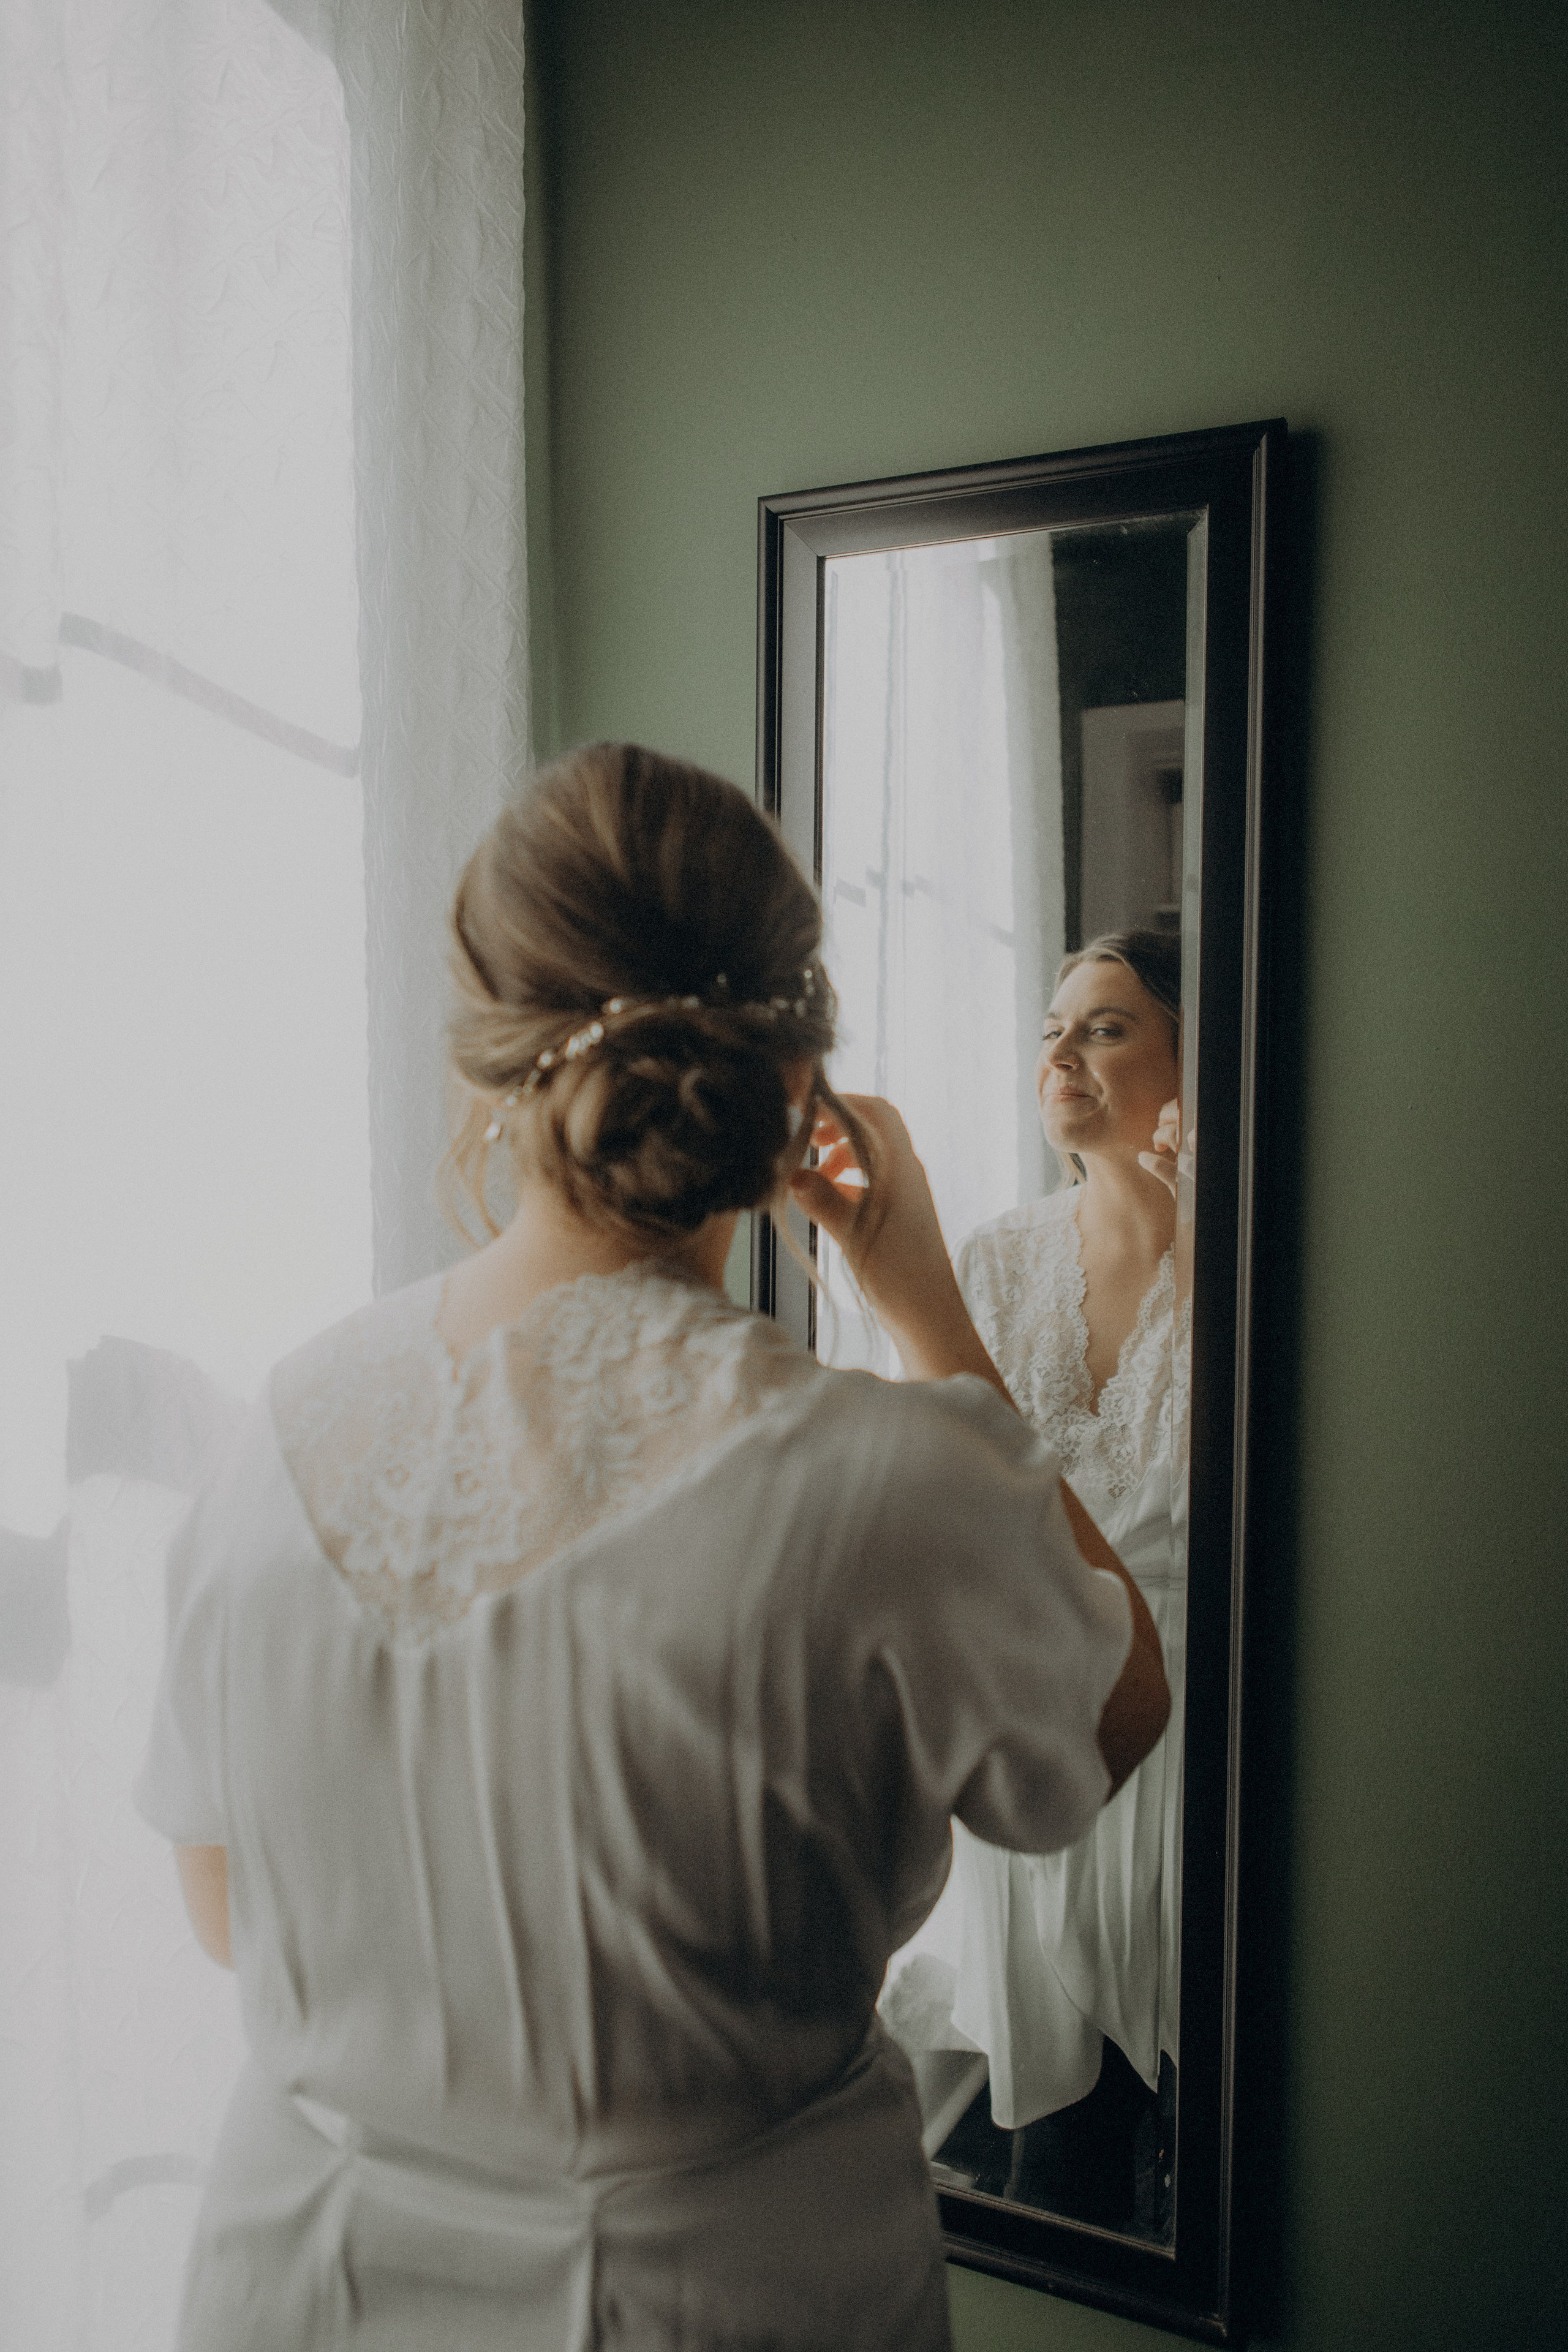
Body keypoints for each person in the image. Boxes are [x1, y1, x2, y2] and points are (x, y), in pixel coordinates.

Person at [135, 744, 1169, 2351]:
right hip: (718, 2299)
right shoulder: (879, 1479)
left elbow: (227, 1909)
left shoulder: (270, 1436)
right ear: (795, 1078)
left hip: (300, 2277)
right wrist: (918, 1299)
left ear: (489, 1063)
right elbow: (1110, 1713)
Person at [891, 930, 1188, 2233]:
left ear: (1193, 1059)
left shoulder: (1258, 1255)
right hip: (1037, 1701)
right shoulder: (999, 1258)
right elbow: (933, 1478)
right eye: (1050, 1027)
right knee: (1054, 2164)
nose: (1058, 1055)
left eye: (1106, 1028)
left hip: (1197, 1739)